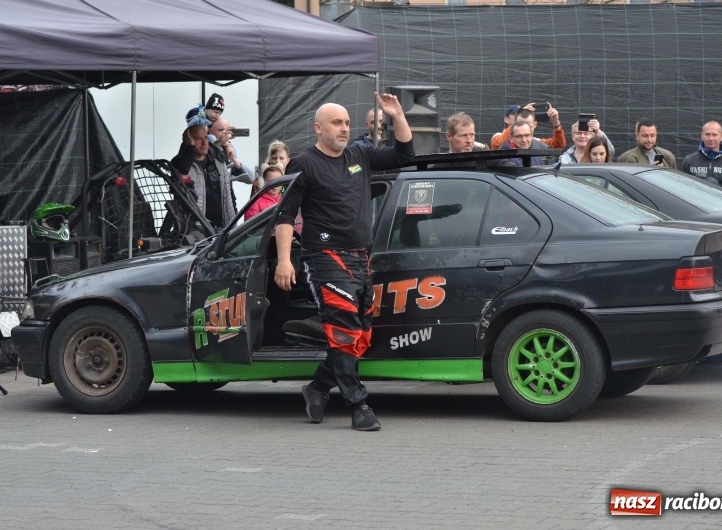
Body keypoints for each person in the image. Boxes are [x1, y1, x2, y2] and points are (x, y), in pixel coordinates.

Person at [274, 93, 415, 431]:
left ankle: (319, 386)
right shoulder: (304, 163)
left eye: (347, 123)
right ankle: (358, 404)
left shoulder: (360, 154)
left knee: (361, 335)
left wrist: (397, 116)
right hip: (324, 257)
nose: (344, 129)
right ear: (318, 127)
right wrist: (283, 260)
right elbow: (285, 214)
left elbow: (404, 154)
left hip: (360, 257)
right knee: (344, 331)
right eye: (337, 123)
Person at [171, 124, 236, 230]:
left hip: (222, 224)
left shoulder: (218, 161)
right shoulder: (180, 163)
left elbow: (228, 192)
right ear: (188, 141)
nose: (203, 143)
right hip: (195, 227)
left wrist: (234, 217)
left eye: (205, 137)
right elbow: (181, 168)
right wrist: (190, 147)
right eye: (197, 139)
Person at [681, 120, 722, 192]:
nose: (711, 138)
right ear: (702, 136)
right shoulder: (689, 160)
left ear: (721, 136)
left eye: (714, 135)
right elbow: (682, 188)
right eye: (707, 134)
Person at [435, 112, 512, 168]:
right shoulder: (439, 166)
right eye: (464, 135)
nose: (469, 140)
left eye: (472, 135)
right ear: (448, 136)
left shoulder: (486, 158)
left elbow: (515, 170)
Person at [491, 102, 565, 150]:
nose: (524, 139)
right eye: (520, 124)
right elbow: (497, 145)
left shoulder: (538, 142)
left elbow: (558, 146)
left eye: (528, 126)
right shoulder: (498, 136)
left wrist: (556, 123)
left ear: (535, 124)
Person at [209, 117, 255, 184]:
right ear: (210, 131)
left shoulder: (229, 147)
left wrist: (234, 160)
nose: (225, 133)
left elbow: (251, 179)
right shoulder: (206, 147)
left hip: (227, 191)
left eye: (227, 131)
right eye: (221, 130)